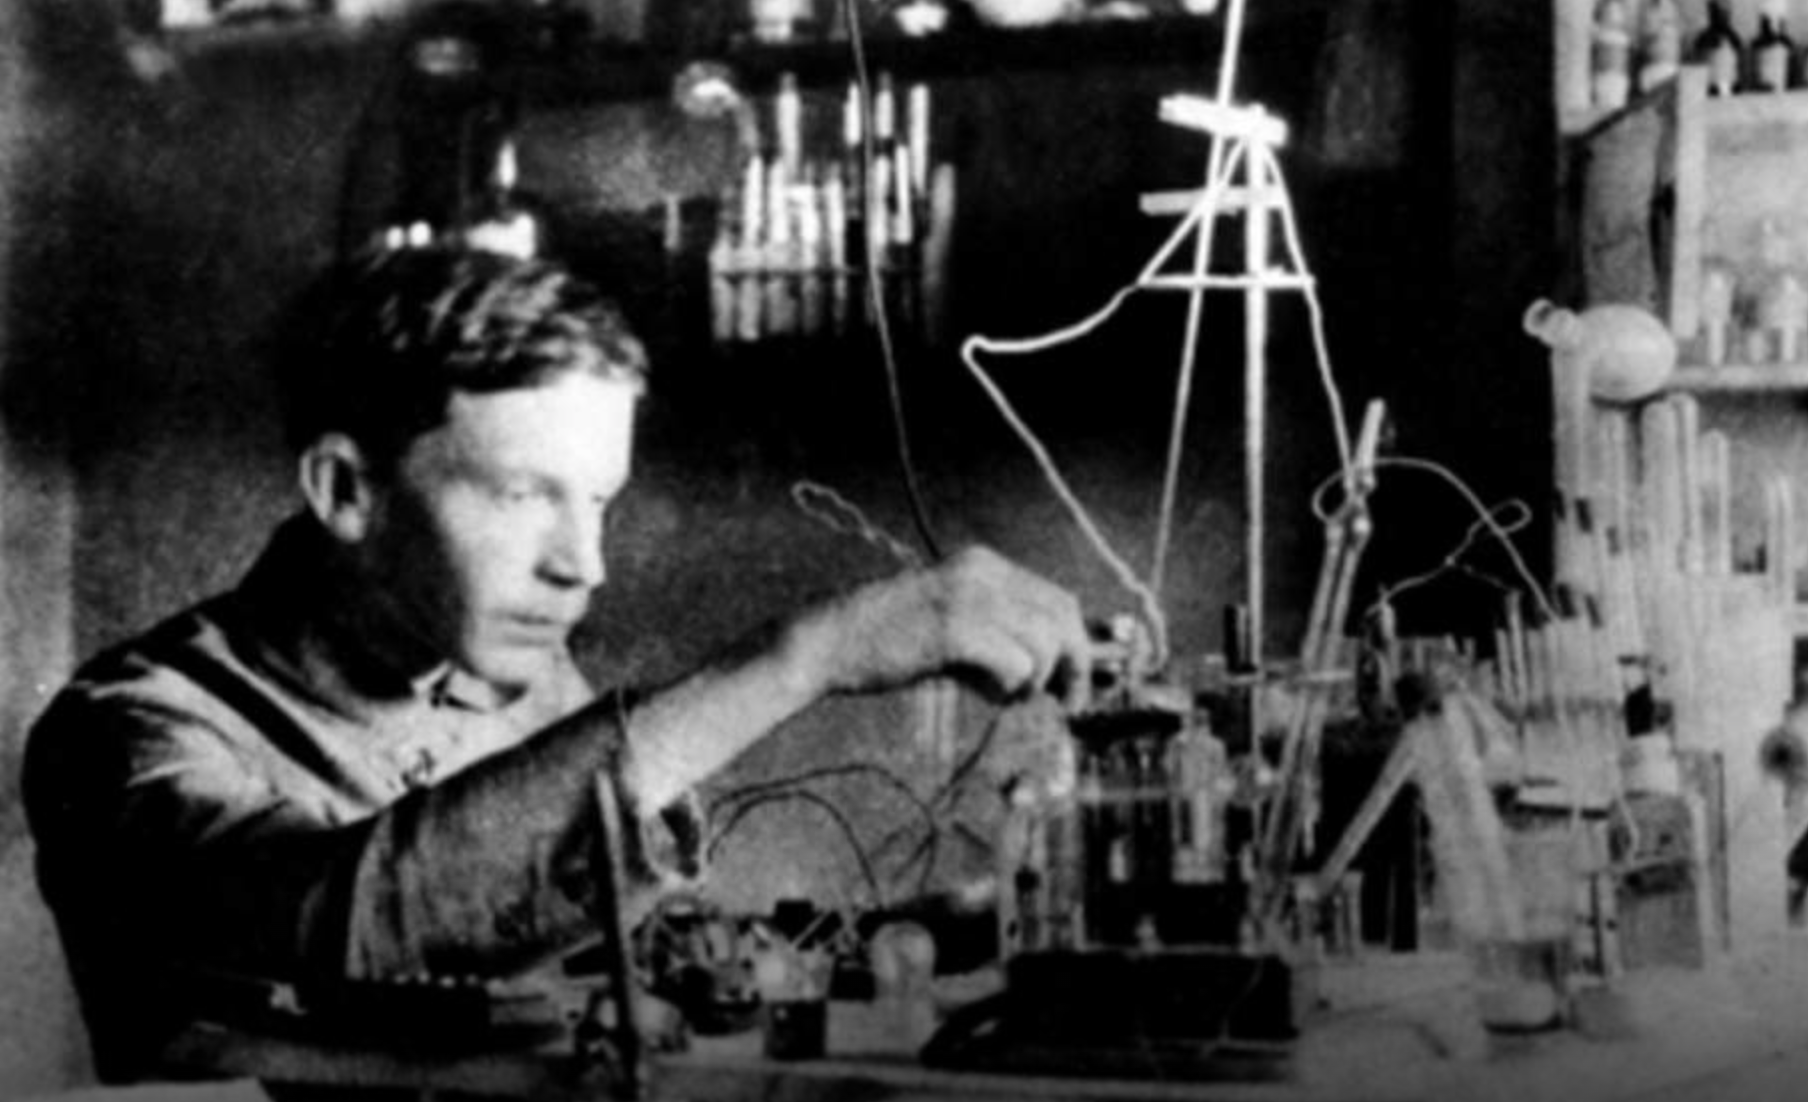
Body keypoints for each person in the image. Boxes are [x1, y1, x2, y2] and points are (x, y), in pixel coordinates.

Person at [21, 246, 1093, 1092]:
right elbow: (349, 923)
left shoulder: (513, 677)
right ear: (347, 491)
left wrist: (921, 935)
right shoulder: (131, 727)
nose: (584, 564)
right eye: (522, 494)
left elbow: (633, 970)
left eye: (598, 501)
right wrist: (806, 656)